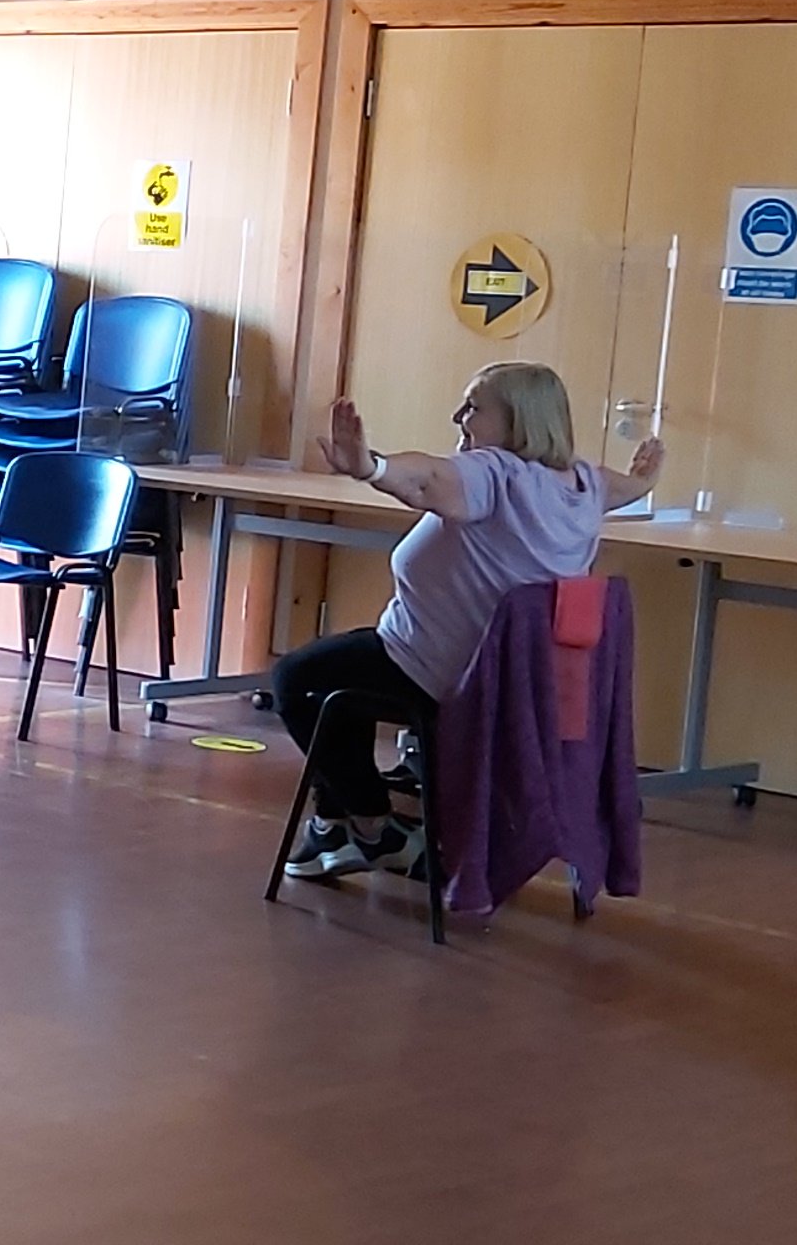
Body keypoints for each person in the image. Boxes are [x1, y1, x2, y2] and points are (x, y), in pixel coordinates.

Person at [272, 362, 659, 881]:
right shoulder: (582, 486)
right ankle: (332, 826)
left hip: (433, 674)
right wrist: (644, 479)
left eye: (474, 406)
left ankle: (372, 828)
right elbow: (622, 489)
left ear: (518, 420)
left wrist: (371, 467)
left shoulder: (493, 474)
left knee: (294, 679)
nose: (459, 416)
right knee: (345, 676)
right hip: (515, 691)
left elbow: (426, 478)